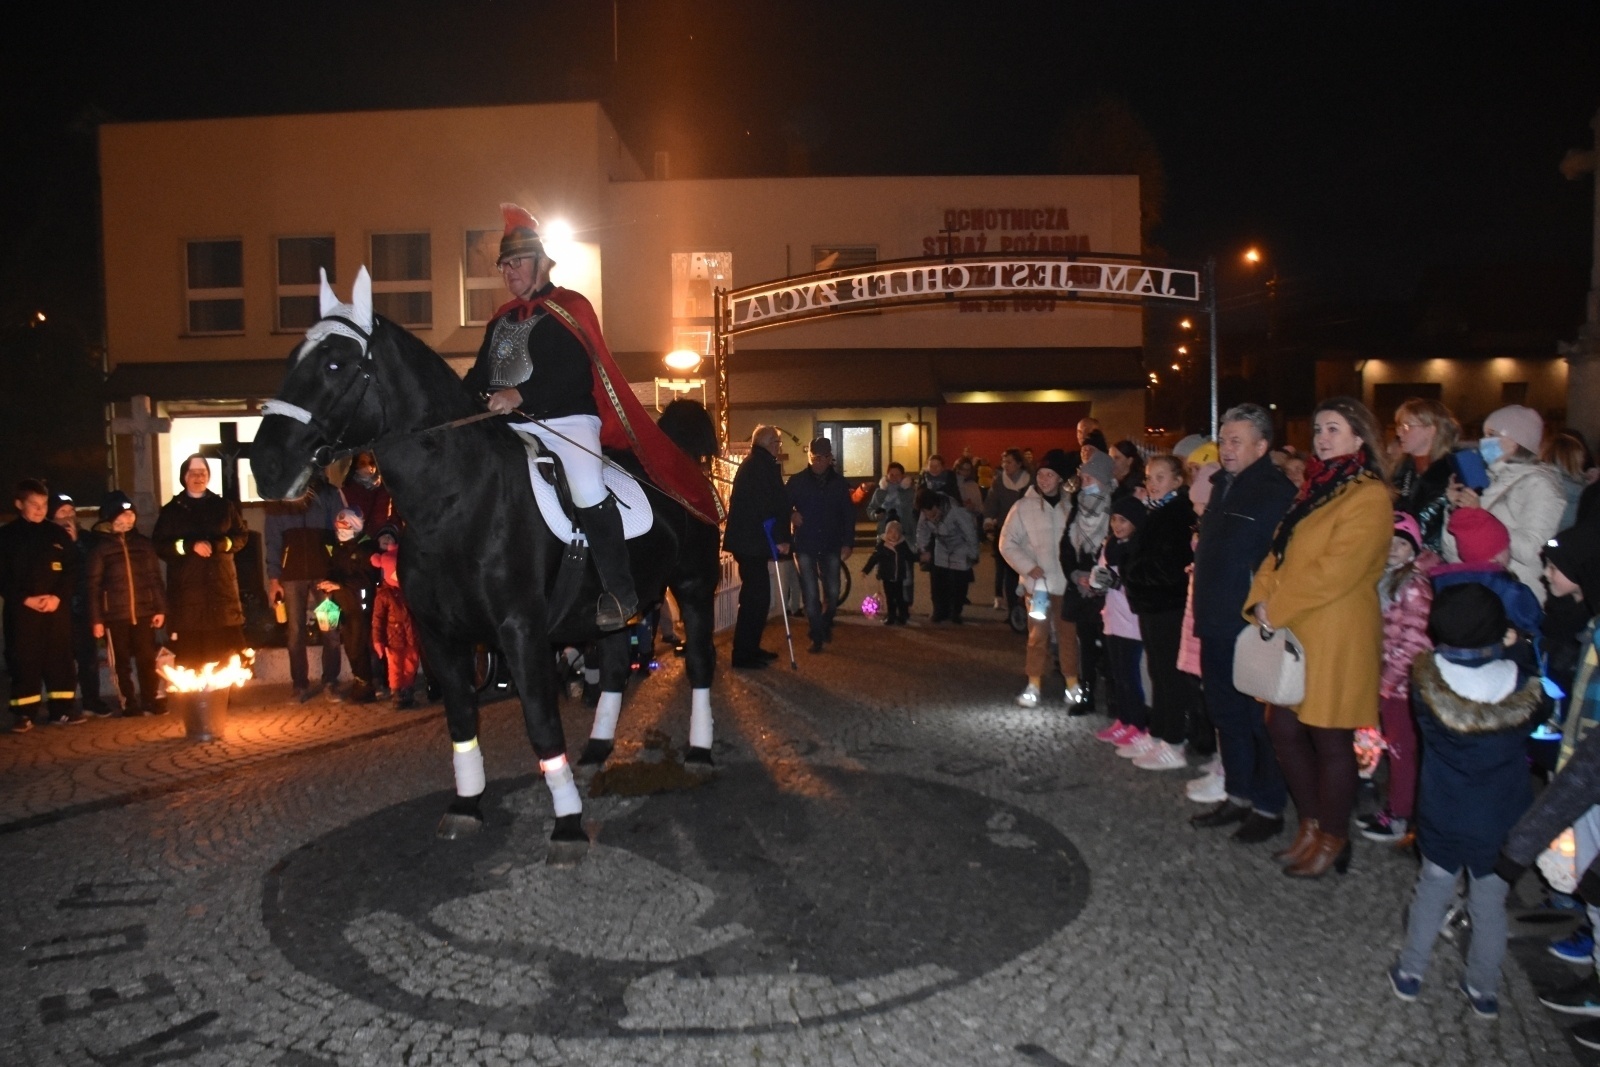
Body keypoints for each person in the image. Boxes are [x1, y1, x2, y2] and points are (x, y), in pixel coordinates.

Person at [464, 204, 643, 628]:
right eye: (504, 265)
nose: (509, 272)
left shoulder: (570, 307)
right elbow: (479, 375)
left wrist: (519, 394)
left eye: (517, 263)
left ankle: (620, 592)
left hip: (567, 422)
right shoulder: (500, 321)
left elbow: (573, 373)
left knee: (584, 485)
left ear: (542, 263)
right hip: (510, 422)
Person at [1246, 396, 1392, 878]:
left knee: (1330, 737)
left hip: (1337, 630)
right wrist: (1261, 600)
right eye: (1318, 430)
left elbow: (1338, 571)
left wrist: (1278, 606)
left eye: (1333, 428)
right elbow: (1279, 552)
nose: (1322, 438)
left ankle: (1333, 835)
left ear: (1359, 437)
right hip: (1296, 629)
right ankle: (1310, 824)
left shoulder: (1368, 494)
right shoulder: (1315, 489)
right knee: (1284, 729)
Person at [1386, 582, 1546, 1019]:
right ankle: (1483, 990)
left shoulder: (1426, 681)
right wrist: (1516, 650)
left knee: (1433, 887)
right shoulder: (1522, 686)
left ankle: (1410, 973)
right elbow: (1543, 702)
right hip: (1501, 820)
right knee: (1489, 905)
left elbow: (1433, 664)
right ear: (1500, 631)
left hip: (1443, 810)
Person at [1188, 404, 1298, 841]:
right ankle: (1237, 795)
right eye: (1223, 439)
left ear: (1262, 446)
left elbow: (1279, 559)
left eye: (1236, 441)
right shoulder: (1221, 485)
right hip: (1214, 616)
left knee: (1255, 718)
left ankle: (1268, 807)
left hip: (1247, 621)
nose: (1226, 448)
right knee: (1225, 712)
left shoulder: (1274, 492)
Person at [1358, 513, 1440, 846]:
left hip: (1403, 685)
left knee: (1401, 749)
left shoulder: (1413, 586)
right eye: (1388, 541)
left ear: (1414, 548)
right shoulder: (1384, 577)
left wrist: (1388, 682)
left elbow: (1414, 641)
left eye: (1401, 543)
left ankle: (1400, 815)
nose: (1393, 548)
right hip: (1385, 678)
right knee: (1394, 747)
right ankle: (1396, 807)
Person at [1119, 454, 1199, 771]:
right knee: (1157, 670)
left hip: (1168, 603)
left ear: (1178, 481)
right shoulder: (1155, 511)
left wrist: (1135, 576)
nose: (1153, 484)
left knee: (1169, 674)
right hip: (1152, 602)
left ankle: (1174, 740)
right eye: (1150, 477)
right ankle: (1159, 733)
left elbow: (1168, 564)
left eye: (1161, 477)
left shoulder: (1178, 513)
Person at [1444, 404, 1564, 605]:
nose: (1483, 442)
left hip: (1515, 595)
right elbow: (1453, 551)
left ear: (1516, 442)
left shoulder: (1541, 485)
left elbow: (1534, 551)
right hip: (1479, 593)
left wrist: (1480, 516)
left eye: (1491, 434)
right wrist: (1455, 510)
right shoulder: (1488, 481)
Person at [153, 454, 249, 668]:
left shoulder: (224, 506)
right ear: (184, 477)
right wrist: (188, 547)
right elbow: (160, 545)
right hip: (187, 595)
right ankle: (195, 698)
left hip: (221, 591)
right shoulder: (172, 510)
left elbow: (241, 537)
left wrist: (219, 545)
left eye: (203, 473)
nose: (199, 477)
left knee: (225, 655)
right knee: (192, 657)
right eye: (193, 473)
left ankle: (222, 696)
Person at [0, 479, 80, 728]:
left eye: (44, 504)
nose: (40, 509)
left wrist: (58, 597)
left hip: (56, 610)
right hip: (23, 612)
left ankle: (61, 710)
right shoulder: (6, 536)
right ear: (19, 504)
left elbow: (72, 569)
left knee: (60, 659)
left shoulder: (56, 533)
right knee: (24, 661)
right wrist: (25, 599)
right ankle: (24, 713)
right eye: (33, 504)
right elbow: (2, 576)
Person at [999, 449, 1074, 707]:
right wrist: (1028, 566)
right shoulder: (1023, 506)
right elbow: (1007, 543)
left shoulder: (1070, 506)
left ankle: (1073, 684)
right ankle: (1034, 683)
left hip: (1065, 584)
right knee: (1037, 635)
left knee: (1068, 634)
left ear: (1060, 479)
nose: (1044, 480)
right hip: (1038, 586)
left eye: (1050, 475)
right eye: (1041, 474)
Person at [86, 491, 167, 716]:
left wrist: (160, 608)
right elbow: (92, 585)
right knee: (120, 660)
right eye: (122, 516)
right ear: (110, 519)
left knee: (146, 657)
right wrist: (97, 619)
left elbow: (154, 578)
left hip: (143, 611)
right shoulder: (100, 548)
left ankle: (150, 698)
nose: (128, 520)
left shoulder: (143, 544)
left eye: (131, 514)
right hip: (114, 615)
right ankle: (128, 701)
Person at [265, 473, 343, 702]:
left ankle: (331, 681)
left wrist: (338, 568)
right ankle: (299, 685)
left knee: (331, 629)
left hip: (325, 573)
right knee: (295, 632)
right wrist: (273, 579)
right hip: (292, 576)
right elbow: (273, 540)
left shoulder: (328, 494)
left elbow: (341, 531)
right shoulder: (280, 497)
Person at [723, 425, 792, 668]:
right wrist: (780, 538)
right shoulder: (760, 467)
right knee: (756, 598)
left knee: (757, 597)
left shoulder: (757, 464)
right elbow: (768, 506)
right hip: (752, 542)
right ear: (764, 442)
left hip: (751, 541)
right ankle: (743, 653)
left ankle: (749, 648)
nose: (778, 446)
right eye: (776, 442)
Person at [786, 437, 854, 654]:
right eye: (816, 458)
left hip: (831, 543)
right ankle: (817, 634)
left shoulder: (840, 483)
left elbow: (848, 515)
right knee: (810, 592)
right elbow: (782, 507)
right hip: (805, 542)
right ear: (809, 456)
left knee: (833, 591)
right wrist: (791, 514)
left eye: (824, 458)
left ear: (831, 457)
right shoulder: (796, 482)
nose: (820, 462)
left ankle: (825, 621)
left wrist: (848, 542)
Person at [1061, 447, 1114, 711]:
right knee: (1086, 646)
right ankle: (1088, 693)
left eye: (1090, 480)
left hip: (1106, 590)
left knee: (1109, 645)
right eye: (1083, 480)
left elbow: (1117, 548)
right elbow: (1066, 546)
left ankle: (1116, 697)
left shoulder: (1113, 509)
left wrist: (1100, 577)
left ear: (1104, 481)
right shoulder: (1077, 509)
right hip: (1082, 587)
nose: (1085, 485)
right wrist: (1075, 574)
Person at [49, 493, 110, 717]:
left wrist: (75, 543)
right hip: (59, 608)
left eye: (71, 512)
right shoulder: (47, 538)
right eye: (62, 512)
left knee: (88, 658)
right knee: (61, 659)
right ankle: (63, 705)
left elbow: (90, 568)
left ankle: (91, 700)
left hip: (84, 607)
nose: (68, 517)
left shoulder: (87, 539)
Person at [1094, 497, 1149, 744]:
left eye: (1123, 520)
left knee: (1129, 675)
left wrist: (1117, 583)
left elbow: (1139, 583)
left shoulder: (1140, 547)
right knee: (1117, 673)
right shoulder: (1110, 546)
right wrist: (1097, 582)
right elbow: (1101, 571)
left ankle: (1137, 724)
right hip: (1112, 617)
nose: (1117, 525)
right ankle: (1123, 720)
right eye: (1114, 519)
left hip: (1132, 620)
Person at [320, 507, 378, 701]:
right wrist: (328, 583)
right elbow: (334, 569)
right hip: (343, 603)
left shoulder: (367, 547)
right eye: (338, 526)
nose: (340, 530)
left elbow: (367, 578)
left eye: (344, 526)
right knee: (350, 645)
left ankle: (366, 686)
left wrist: (340, 584)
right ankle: (360, 682)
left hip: (360, 603)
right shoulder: (340, 547)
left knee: (358, 645)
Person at [1391, 398, 1460, 553]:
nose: (1399, 432)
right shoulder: (1399, 471)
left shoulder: (1453, 473)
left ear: (1431, 429)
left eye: (1407, 426)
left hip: (1436, 561)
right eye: (1399, 426)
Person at [370, 526, 421, 709]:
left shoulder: (409, 591)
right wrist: (378, 640)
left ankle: (407, 690)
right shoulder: (384, 595)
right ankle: (397, 692)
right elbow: (377, 620)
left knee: (410, 665)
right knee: (395, 667)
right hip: (394, 638)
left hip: (411, 636)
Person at [916, 486, 980, 626]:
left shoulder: (955, 510)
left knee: (959, 582)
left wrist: (973, 553)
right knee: (938, 580)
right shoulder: (925, 509)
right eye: (924, 512)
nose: (927, 515)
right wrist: (923, 549)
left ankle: (956, 611)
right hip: (942, 545)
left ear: (936, 505)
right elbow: (922, 530)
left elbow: (970, 533)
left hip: (960, 546)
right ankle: (939, 611)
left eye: (930, 511)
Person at [983, 448, 1031, 613]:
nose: (1005, 465)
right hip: (1005, 529)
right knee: (1006, 569)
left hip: (1027, 532)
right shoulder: (999, 482)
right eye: (1004, 462)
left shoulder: (1030, 481)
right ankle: (1012, 609)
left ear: (1018, 464)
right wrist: (988, 519)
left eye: (1009, 462)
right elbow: (991, 502)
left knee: (1026, 568)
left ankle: (1027, 606)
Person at [861, 520, 915, 625]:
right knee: (890, 597)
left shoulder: (902, 545)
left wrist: (920, 557)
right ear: (886, 533)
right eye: (890, 532)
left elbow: (910, 556)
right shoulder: (882, 545)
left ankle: (902, 616)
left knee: (899, 597)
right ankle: (891, 615)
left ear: (900, 533)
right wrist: (866, 570)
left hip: (899, 576)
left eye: (896, 532)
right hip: (887, 576)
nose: (893, 535)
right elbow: (874, 558)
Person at [339, 451, 397, 533]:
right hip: (356, 539)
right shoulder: (346, 491)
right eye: (362, 463)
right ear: (355, 466)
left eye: (371, 463)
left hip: (379, 539)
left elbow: (393, 518)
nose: (368, 467)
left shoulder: (385, 488)